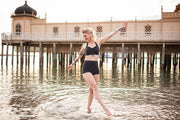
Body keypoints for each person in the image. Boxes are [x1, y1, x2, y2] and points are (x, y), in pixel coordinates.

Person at [68, 23, 128, 116]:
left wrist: (121, 28)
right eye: (83, 36)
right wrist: (72, 64)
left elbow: (110, 34)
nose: (84, 37)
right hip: (87, 67)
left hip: (95, 68)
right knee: (95, 87)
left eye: (85, 35)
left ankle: (88, 108)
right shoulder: (84, 45)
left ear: (90, 34)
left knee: (91, 90)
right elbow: (79, 55)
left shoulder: (98, 42)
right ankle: (105, 108)